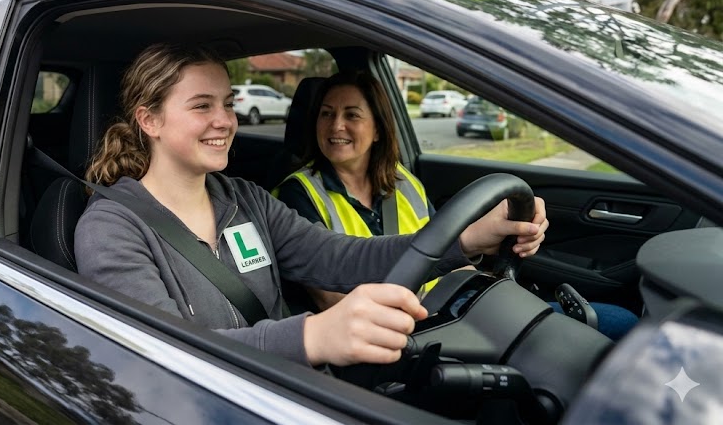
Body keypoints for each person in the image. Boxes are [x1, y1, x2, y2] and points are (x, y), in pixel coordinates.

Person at [74, 43, 546, 369]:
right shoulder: (113, 226)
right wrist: (314, 336)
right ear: (150, 119)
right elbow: (163, 353)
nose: (225, 120)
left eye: (228, 102)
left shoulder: (245, 199)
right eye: (202, 106)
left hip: (291, 384)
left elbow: (342, 258)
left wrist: (464, 239)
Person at [275, 71, 637, 340]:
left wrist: (490, 292)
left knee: (618, 324)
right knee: (615, 331)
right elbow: (331, 301)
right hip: (407, 334)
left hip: (455, 313)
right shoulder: (297, 194)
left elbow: (445, 260)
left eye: (351, 114)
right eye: (326, 113)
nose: (336, 125)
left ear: (379, 128)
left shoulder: (404, 182)